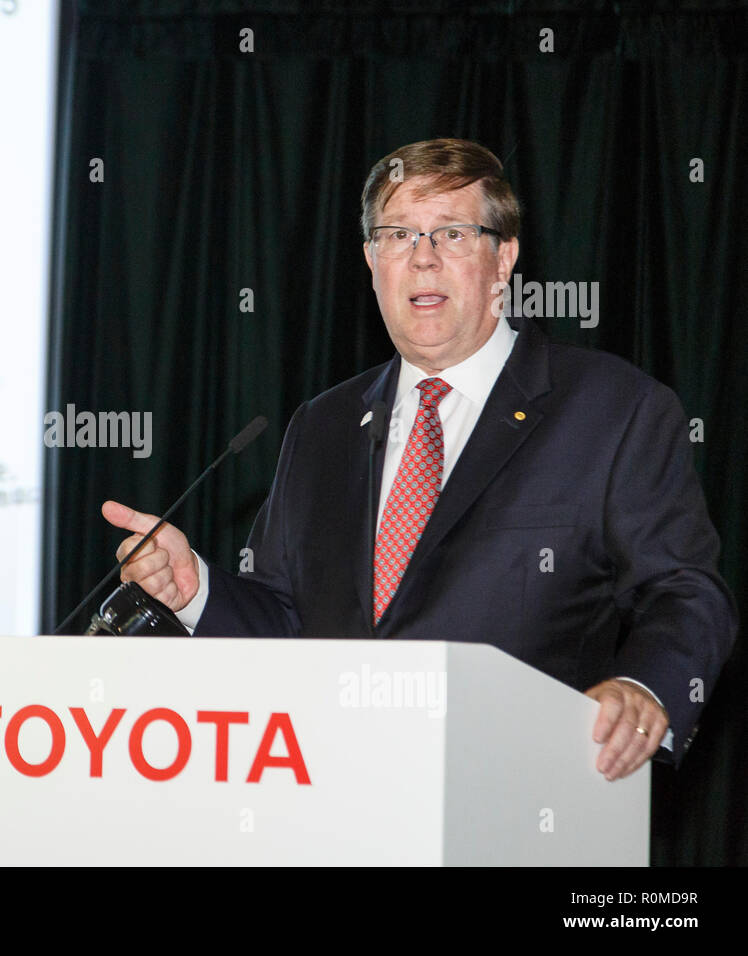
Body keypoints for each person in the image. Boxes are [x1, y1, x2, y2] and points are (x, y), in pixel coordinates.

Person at [102, 138, 736, 781]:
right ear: (373, 260)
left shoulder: (611, 409)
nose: (424, 259)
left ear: (504, 258)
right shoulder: (321, 426)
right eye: (399, 235)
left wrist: (644, 687)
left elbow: (684, 592)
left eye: (454, 235)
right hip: (335, 798)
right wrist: (195, 591)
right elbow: (288, 624)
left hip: (527, 797)